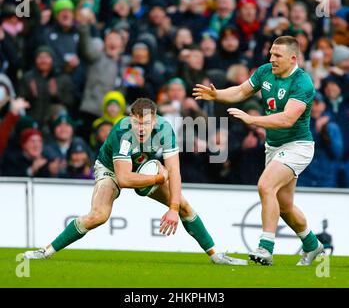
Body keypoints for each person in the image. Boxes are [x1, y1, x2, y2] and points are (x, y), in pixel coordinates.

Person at [24, 98, 246, 266]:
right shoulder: (122, 131)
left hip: (143, 167)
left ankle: (216, 256)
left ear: (156, 120)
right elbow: (123, 178)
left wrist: (173, 208)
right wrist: (159, 177)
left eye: (146, 123)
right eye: (137, 123)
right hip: (110, 169)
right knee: (99, 215)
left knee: (184, 205)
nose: (141, 128)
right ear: (131, 119)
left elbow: (175, 172)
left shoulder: (165, 130)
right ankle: (46, 251)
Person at [193, 36, 324, 266]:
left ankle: (265, 248)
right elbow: (241, 92)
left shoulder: (302, 82)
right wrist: (218, 94)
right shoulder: (265, 72)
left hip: (297, 146)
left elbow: (287, 119)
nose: (271, 59)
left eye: (277, 55)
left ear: (293, 58)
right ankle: (313, 245)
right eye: (271, 53)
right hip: (273, 147)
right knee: (284, 206)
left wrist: (251, 119)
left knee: (265, 185)